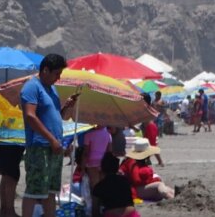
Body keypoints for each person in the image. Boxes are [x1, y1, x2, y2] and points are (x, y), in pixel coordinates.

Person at [20, 54, 78, 217]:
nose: (58, 78)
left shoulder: (52, 89)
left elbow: (58, 117)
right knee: (34, 190)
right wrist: (52, 140)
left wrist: (67, 106)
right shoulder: (32, 87)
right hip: (39, 146)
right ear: (45, 70)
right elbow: (31, 116)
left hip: (54, 146)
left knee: (51, 190)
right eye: (56, 74)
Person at [92, 152, 139, 217]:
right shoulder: (125, 181)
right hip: (131, 214)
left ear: (103, 169)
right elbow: (131, 201)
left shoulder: (99, 187)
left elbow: (95, 210)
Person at [140, 93, 164, 167]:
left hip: (150, 127)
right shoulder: (145, 107)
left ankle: (160, 162)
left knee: (152, 145)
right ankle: (147, 160)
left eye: (141, 98)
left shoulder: (145, 107)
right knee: (146, 144)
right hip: (148, 127)